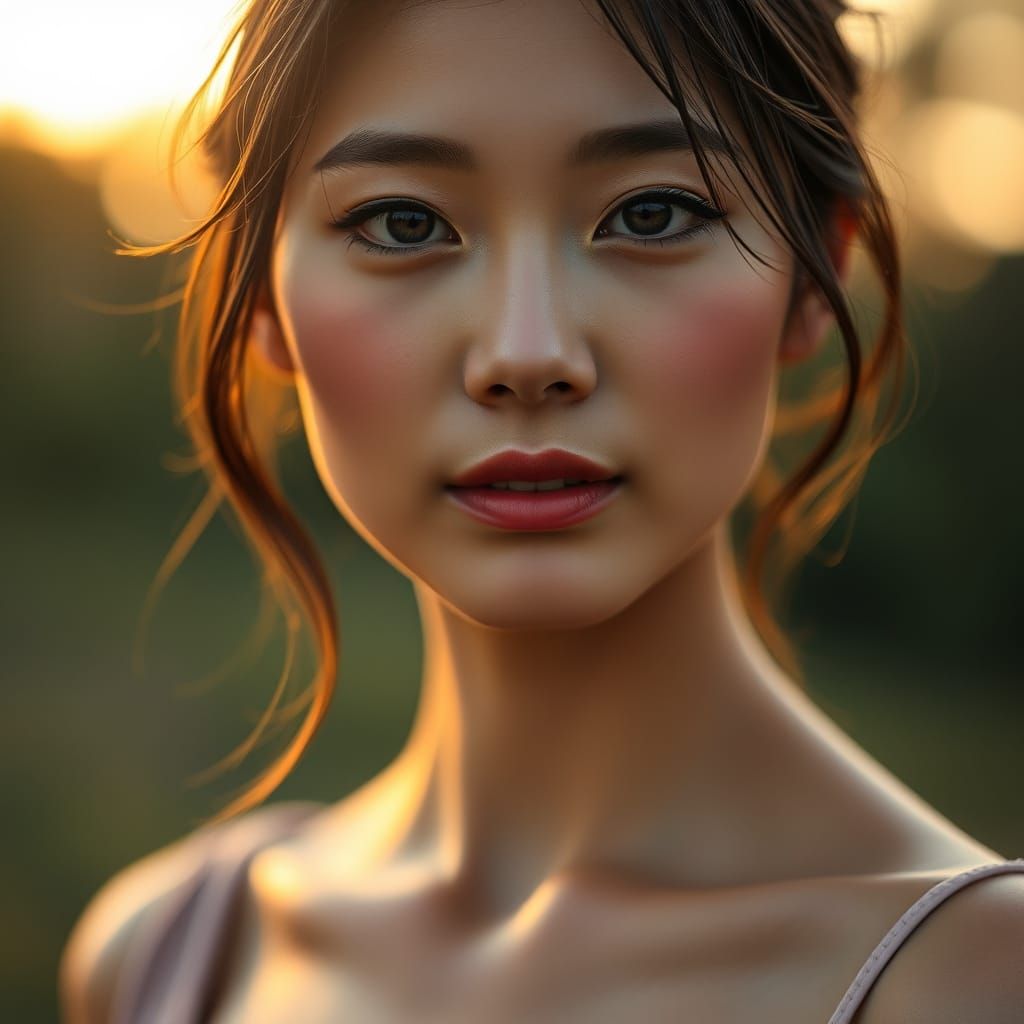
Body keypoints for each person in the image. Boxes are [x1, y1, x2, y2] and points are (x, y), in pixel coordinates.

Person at [59, 0, 1024, 1021]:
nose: (528, 351)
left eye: (652, 213)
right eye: (404, 221)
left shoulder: (976, 981)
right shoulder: (168, 952)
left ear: (817, 273)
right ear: (258, 295)